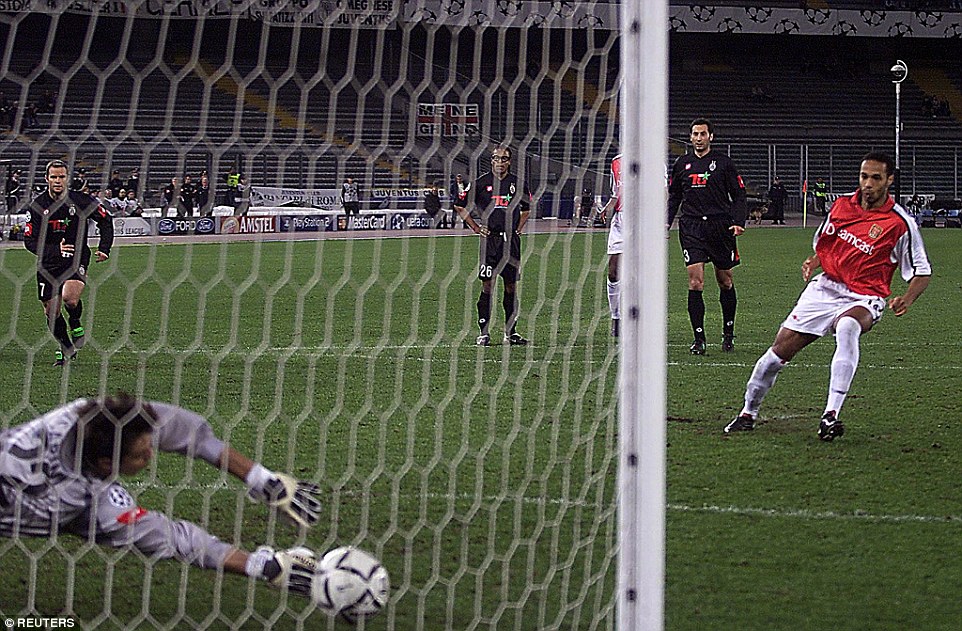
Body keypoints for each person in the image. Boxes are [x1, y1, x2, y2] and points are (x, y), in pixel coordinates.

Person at [0, 394, 326, 601]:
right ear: (106, 465)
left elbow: (178, 428)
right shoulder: (76, 502)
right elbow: (171, 536)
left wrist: (262, 479)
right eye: (142, 456)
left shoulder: (84, 416)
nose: (151, 456)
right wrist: (263, 566)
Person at [725, 152, 931, 441]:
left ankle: (830, 415)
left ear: (889, 180)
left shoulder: (900, 223)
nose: (868, 184)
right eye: (864, 176)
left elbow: (922, 271)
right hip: (826, 289)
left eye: (875, 178)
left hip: (865, 296)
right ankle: (748, 412)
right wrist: (814, 261)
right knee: (776, 354)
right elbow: (828, 244)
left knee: (847, 327)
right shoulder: (842, 205)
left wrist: (906, 299)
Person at [666, 117, 747, 355]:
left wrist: (738, 222)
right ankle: (699, 339)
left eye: (703, 134)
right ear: (690, 137)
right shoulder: (682, 164)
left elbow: (739, 195)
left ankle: (728, 333)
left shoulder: (724, 163)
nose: (699, 138)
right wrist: (665, 222)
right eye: (695, 134)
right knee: (695, 281)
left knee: (725, 281)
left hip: (719, 227)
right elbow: (674, 197)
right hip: (691, 227)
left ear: (711, 136)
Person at [23, 159, 114, 366]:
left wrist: (104, 248)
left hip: (76, 257)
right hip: (48, 263)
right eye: (53, 177)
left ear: (67, 178)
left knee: (70, 299)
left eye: (61, 176)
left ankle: (74, 320)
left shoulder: (80, 201)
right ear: (46, 179)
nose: (57, 180)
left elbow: (105, 220)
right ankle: (66, 347)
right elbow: (29, 240)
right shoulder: (37, 206)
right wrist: (55, 249)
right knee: (50, 311)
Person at [455, 144, 532, 346]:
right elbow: (459, 205)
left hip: (511, 242)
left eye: (504, 159)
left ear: (509, 162)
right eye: (496, 158)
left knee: (511, 286)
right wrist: (475, 227)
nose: (500, 162)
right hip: (490, 242)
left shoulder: (518, 183)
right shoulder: (481, 183)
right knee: (488, 285)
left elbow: (526, 209)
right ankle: (484, 332)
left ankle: (510, 332)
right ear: (491, 161)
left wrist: (518, 228)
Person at [600, 155, 623, 337]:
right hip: (621, 221)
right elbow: (616, 193)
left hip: (643, 220)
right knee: (613, 271)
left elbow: (663, 191)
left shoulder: (654, 159)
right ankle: (616, 317)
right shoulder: (616, 162)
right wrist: (608, 207)